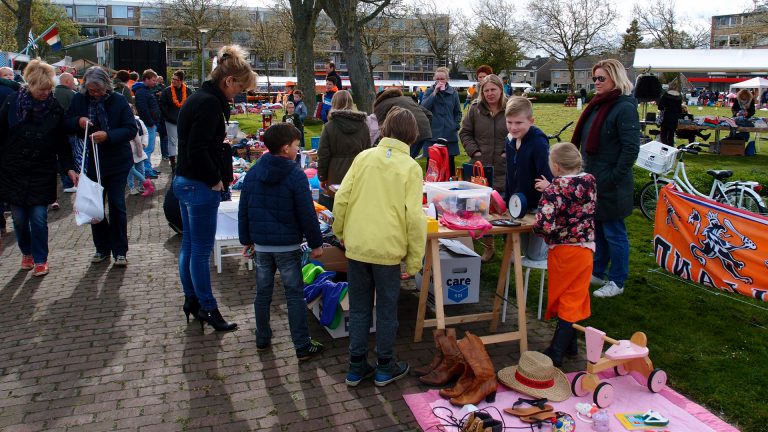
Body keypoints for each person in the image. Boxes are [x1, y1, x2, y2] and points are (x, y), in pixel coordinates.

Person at [333, 106, 427, 387]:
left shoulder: (364, 157)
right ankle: (385, 364)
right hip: (387, 251)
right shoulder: (410, 167)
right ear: (412, 136)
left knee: (360, 308)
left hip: (358, 246)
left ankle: (356, 365)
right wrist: (414, 261)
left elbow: (342, 199)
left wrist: (341, 231)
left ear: (385, 129)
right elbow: (414, 217)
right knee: (387, 310)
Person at [174, 44, 257, 331]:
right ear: (228, 81)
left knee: (190, 247)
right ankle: (208, 306)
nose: (238, 94)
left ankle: (192, 301)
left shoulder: (199, 98)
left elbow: (195, 145)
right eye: (239, 88)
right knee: (199, 251)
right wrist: (214, 179)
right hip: (198, 185)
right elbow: (197, 149)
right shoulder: (209, 103)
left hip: (185, 182)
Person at [238, 122, 325, 360]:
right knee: (294, 295)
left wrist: (245, 239)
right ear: (286, 148)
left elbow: (243, 208)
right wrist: (316, 243)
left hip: (262, 247)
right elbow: (306, 212)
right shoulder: (295, 174)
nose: (298, 150)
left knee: (263, 293)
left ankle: (262, 338)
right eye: (297, 145)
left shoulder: (254, 171)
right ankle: (301, 345)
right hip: (287, 246)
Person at [0, 59, 78, 276]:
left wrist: (69, 168)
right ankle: (27, 252)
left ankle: (41, 259)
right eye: (42, 89)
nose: (45, 93)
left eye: (48, 89)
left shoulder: (54, 108)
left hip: (42, 169)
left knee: (38, 217)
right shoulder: (13, 102)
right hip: (13, 169)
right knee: (19, 219)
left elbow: (62, 142)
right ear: (31, 85)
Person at [571, 58, 640, 298]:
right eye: (595, 78)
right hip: (593, 177)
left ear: (615, 78)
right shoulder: (598, 104)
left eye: (602, 78)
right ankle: (598, 271)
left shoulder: (624, 107)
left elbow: (631, 148)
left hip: (611, 181)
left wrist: (613, 176)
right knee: (597, 228)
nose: (597, 83)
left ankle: (618, 280)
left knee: (614, 231)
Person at [532, 142, 597, 367]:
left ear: (556, 167)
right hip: (586, 248)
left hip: (563, 250)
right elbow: (573, 194)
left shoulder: (553, 190)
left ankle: (556, 350)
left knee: (565, 298)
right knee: (576, 294)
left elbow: (544, 225)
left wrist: (536, 225)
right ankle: (570, 346)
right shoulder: (589, 181)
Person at [66, 66, 137, 267]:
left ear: (107, 86)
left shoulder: (119, 100)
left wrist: (109, 135)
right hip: (90, 162)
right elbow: (66, 123)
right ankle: (102, 248)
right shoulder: (79, 100)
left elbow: (130, 129)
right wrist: (78, 122)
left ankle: (120, 251)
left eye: (98, 90)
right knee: (95, 207)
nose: (95, 94)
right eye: (91, 90)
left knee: (117, 205)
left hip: (117, 162)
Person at [460, 75, 510, 262]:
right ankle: (489, 247)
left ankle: (509, 248)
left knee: (505, 210)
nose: (489, 94)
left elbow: (520, 130)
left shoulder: (510, 108)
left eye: (493, 90)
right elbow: (464, 132)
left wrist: (508, 152)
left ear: (500, 89)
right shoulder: (475, 110)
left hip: (505, 168)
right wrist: (475, 152)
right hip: (481, 169)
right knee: (481, 210)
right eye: (486, 90)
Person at [504, 96, 553, 261]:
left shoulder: (538, 143)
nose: (513, 127)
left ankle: (559, 245)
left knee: (535, 255)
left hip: (538, 206)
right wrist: (507, 199)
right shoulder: (510, 140)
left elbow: (546, 174)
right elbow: (510, 173)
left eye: (518, 123)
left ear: (531, 121)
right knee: (523, 249)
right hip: (517, 203)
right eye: (509, 122)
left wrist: (548, 191)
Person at [317, 90, 370, 196]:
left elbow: (323, 154)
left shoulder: (329, 127)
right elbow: (368, 152)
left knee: (336, 207)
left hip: (335, 174)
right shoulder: (363, 126)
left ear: (334, 104)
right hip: (357, 174)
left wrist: (322, 176)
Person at [421, 66, 462, 175]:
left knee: (450, 165)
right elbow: (423, 108)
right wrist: (434, 93)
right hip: (433, 134)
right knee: (432, 165)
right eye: (437, 79)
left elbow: (458, 112)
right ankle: (430, 188)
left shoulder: (453, 93)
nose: (440, 81)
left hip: (449, 134)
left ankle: (450, 188)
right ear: (434, 79)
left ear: (447, 79)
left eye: (442, 79)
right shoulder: (429, 91)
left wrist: (455, 125)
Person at [373, 87, 432, 158]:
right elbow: (429, 114)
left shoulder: (381, 105)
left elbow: (379, 127)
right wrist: (424, 127)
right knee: (408, 159)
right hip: (425, 131)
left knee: (403, 160)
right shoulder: (407, 99)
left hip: (407, 133)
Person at [53, 72, 78, 196]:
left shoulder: (51, 93)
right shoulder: (73, 95)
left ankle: (66, 182)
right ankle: (71, 181)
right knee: (69, 155)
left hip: (53, 132)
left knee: (58, 157)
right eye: (73, 81)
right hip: (69, 132)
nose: (74, 84)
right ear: (67, 81)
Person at [132, 69, 161, 178]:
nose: (155, 82)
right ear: (146, 79)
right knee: (148, 149)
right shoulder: (142, 92)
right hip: (148, 124)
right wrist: (151, 122)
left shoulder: (145, 91)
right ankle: (147, 171)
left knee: (150, 148)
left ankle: (148, 169)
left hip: (150, 123)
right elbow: (143, 110)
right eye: (153, 80)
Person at [159, 70, 190, 172]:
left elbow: (192, 105)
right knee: (172, 142)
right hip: (171, 121)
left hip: (184, 121)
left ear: (181, 81)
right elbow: (162, 105)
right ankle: (173, 165)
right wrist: (169, 117)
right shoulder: (167, 91)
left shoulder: (188, 91)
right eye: (172, 79)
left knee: (184, 141)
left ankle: (183, 162)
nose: (173, 81)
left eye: (175, 79)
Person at [127, 104, 154, 196]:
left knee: (141, 168)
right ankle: (132, 187)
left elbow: (145, 133)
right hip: (128, 151)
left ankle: (141, 185)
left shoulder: (139, 121)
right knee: (130, 170)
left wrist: (143, 144)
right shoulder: (123, 122)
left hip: (139, 149)